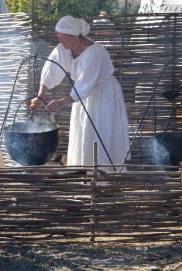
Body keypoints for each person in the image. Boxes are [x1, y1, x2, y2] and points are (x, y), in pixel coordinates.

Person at [29, 15, 130, 171]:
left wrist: (60, 103)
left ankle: (105, 174)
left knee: (100, 132)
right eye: (58, 37)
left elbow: (85, 84)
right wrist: (41, 97)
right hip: (82, 96)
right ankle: (85, 172)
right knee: (84, 132)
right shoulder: (65, 48)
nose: (60, 41)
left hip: (103, 95)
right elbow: (51, 68)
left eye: (62, 38)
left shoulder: (94, 52)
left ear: (74, 36)